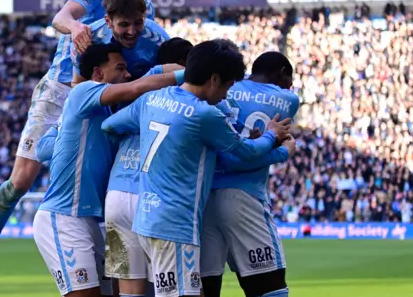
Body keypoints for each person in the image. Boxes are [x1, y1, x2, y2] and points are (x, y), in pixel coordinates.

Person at [0, 0, 160, 292]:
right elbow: (62, 18)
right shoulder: (92, 15)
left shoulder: (151, 34)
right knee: (21, 179)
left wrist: (67, 138)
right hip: (63, 92)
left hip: (89, 209)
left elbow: (46, 149)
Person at [101, 40, 291, 297]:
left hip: (147, 219)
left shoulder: (152, 100)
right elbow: (245, 153)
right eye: (227, 85)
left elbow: (109, 126)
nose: (226, 94)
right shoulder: (205, 114)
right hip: (176, 223)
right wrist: (274, 139)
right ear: (214, 78)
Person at [32, 43, 185, 297]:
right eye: (120, 68)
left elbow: (45, 148)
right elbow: (40, 149)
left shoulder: (110, 111)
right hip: (63, 216)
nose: (126, 74)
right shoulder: (83, 93)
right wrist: (192, 76)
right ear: (98, 73)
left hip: (95, 221)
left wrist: (75, 136)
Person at [200, 52, 300, 297]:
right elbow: (265, 147)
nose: (291, 85)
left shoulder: (224, 87)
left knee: (205, 286)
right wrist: (283, 151)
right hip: (244, 195)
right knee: (269, 286)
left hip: (201, 196)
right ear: (283, 73)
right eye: (290, 78)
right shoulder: (287, 98)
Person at [104, 38, 193, 297]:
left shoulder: (131, 92)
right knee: (167, 288)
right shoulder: (188, 103)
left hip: (116, 196)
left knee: (129, 289)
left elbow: (108, 126)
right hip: (152, 199)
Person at [70, 0, 169, 85]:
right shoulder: (87, 40)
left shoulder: (160, 40)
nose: (132, 32)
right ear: (108, 21)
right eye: (124, 24)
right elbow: (78, 85)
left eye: (138, 23)